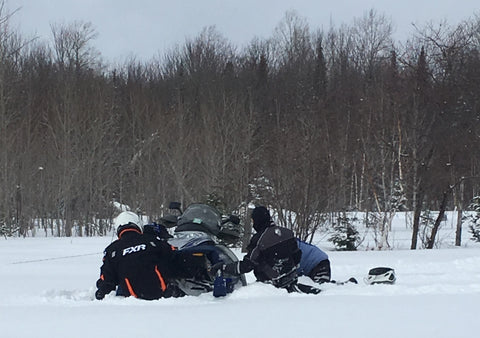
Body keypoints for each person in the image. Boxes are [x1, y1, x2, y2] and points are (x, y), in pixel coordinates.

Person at [95, 211, 206, 300]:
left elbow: (107, 278)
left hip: (132, 299)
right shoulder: (152, 241)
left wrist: (101, 291)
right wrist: (197, 263)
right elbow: (173, 257)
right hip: (164, 294)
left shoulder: (112, 250)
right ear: (138, 225)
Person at [214, 206, 312, 292]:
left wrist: (224, 267)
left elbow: (247, 265)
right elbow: (297, 255)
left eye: (253, 221)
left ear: (257, 220)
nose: (253, 224)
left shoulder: (259, 239)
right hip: (291, 279)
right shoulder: (287, 233)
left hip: (271, 286)